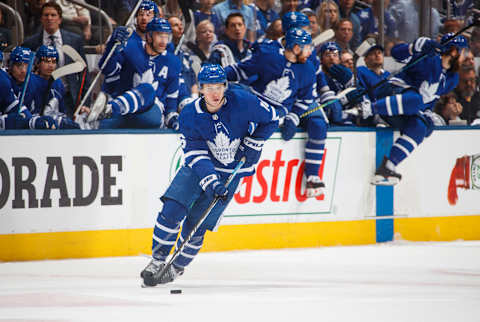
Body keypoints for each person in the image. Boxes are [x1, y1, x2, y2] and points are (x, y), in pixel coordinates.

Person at [140, 64, 279, 286]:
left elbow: (273, 117)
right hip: (197, 170)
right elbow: (195, 153)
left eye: (219, 86)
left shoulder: (244, 101)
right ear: (200, 89)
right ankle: (157, 260)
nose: (215, 93)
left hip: (231, 173)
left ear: (225, 86)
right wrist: (212, 181)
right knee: (172, 209)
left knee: (197, 224)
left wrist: (255, 142)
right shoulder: (189, 114)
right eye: (208, 87)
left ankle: (176, 266)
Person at [342, 33, 469, 185]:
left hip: (405, 108)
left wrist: (427, 113)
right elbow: (396, 53)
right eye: (463, 51)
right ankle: (369, 108)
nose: (466, 56)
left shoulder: (452, 78)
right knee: (416, 101)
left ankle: (388, 168)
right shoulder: (429, 57)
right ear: (454, 51)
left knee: (422, 127)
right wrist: (415, 46)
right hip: (392, 93)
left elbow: (429, 99)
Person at [225, 28, 328, 197]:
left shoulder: (309, 69)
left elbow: (305, 99)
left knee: (254, 137)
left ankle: (238, 176)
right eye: (307, 47)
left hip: (277, 111)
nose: (310, 51)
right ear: (295, 48)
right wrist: (218, 76)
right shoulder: (269, 56)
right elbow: (241, 70)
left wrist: (293, 117)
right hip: (255, 100)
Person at [86, 17, 181, 130]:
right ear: (149, 36)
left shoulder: (173, 61)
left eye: (167, 37)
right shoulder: (131, 49)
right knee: (99, 126)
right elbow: (107, 70)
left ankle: (108, 110)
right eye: (160, 35)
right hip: (126, 112)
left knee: (148, 90)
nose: (164, 41)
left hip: (152, 113)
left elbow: (171, 105)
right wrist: (112, 48)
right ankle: (98, 119)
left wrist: (174, 120)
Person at [22, 1, 87, 118]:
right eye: (46, 15)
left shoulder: (75, 40)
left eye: (53, 15)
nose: (49, 18)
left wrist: (85, 103)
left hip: (69, 99)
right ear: (41, 19)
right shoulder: (30, 43)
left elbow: (84, 74)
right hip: (40, 97)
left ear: (60, 19)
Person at [0, 46, 57, 130]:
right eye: (19, 65)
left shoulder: (34, 82)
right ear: (10, 65)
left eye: (27, 66)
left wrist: (33, 121)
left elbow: (16, 108)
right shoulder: (4, 80)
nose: (23, 70)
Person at [28, 45, 80, 129]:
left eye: (53, 61)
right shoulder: (30, 81)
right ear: (37, 62)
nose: (51, 65)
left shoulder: (58, 83)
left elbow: (61, 111)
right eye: (47, 61)